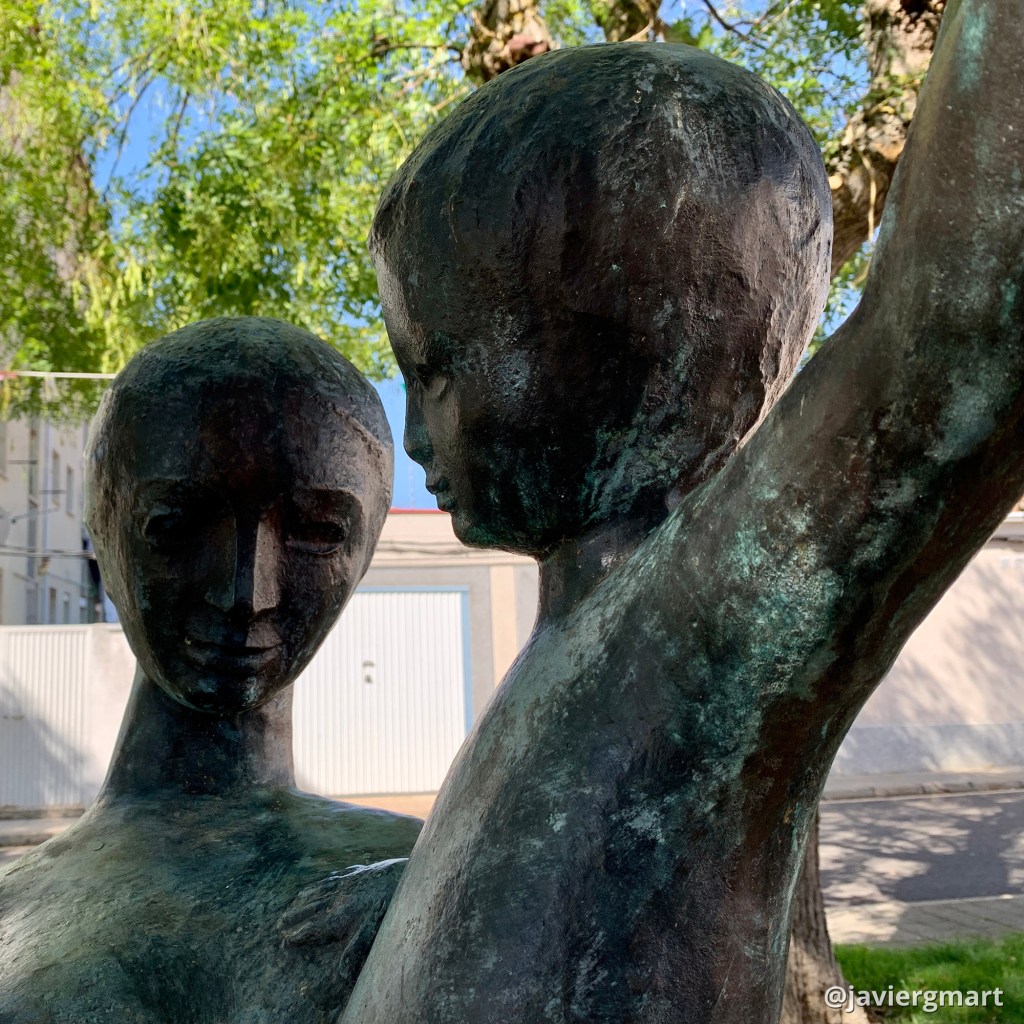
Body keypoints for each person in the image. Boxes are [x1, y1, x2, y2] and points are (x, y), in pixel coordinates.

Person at [340, 5, 1024, 1023]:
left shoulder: (695, 624)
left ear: (600, 349)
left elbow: (959, 332)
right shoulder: (583, 636)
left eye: (435, 369)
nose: (410, 437)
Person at [0, 317, 421, 1023]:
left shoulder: (432, 880)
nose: (246, 593)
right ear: (102, 525)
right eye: (177, 525)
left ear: (367, 549)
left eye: (318, 533)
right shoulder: (16, 906)